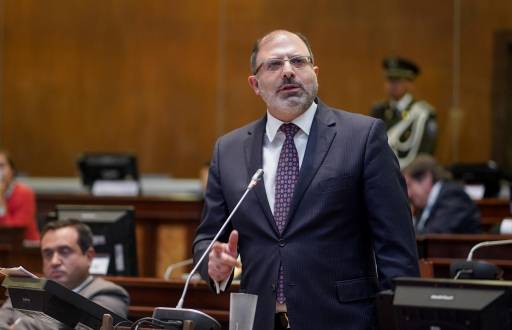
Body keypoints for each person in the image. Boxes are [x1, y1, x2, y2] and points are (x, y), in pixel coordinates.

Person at [193, 30, 419, 330]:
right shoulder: (229, 150)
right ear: (255, 84)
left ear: (315, 73)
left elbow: (396, 249)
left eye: (298, 61)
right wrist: (214, 262)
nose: (288, 70)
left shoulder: (363, 137)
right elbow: (209, 237)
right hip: (259, 321)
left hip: (343, 321)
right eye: (274, 65)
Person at [0, 219, 130, 329]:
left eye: (65, 251)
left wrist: (19, 325)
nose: (55, 261)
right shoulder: (29, 287)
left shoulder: (110, 293)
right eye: (48, 253)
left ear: (89, 256)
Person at [370, 57, 437, 169]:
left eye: (397, 80)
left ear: (409, 83)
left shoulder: (423, 114)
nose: (392, 85)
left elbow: (425, 152)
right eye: (389, 80)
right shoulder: (378, 111)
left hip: (412, 176)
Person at [403, 154, 481, 234]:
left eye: (409, 185)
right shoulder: (424, 205)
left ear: (427, 179)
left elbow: (435, 235)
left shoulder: (453, 196)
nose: (409, 194)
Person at [0, 150, 39, 241]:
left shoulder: (25, 194)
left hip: (24, 250)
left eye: (1, 166)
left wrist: (0, 199)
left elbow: (13, 233)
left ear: (12, 170)